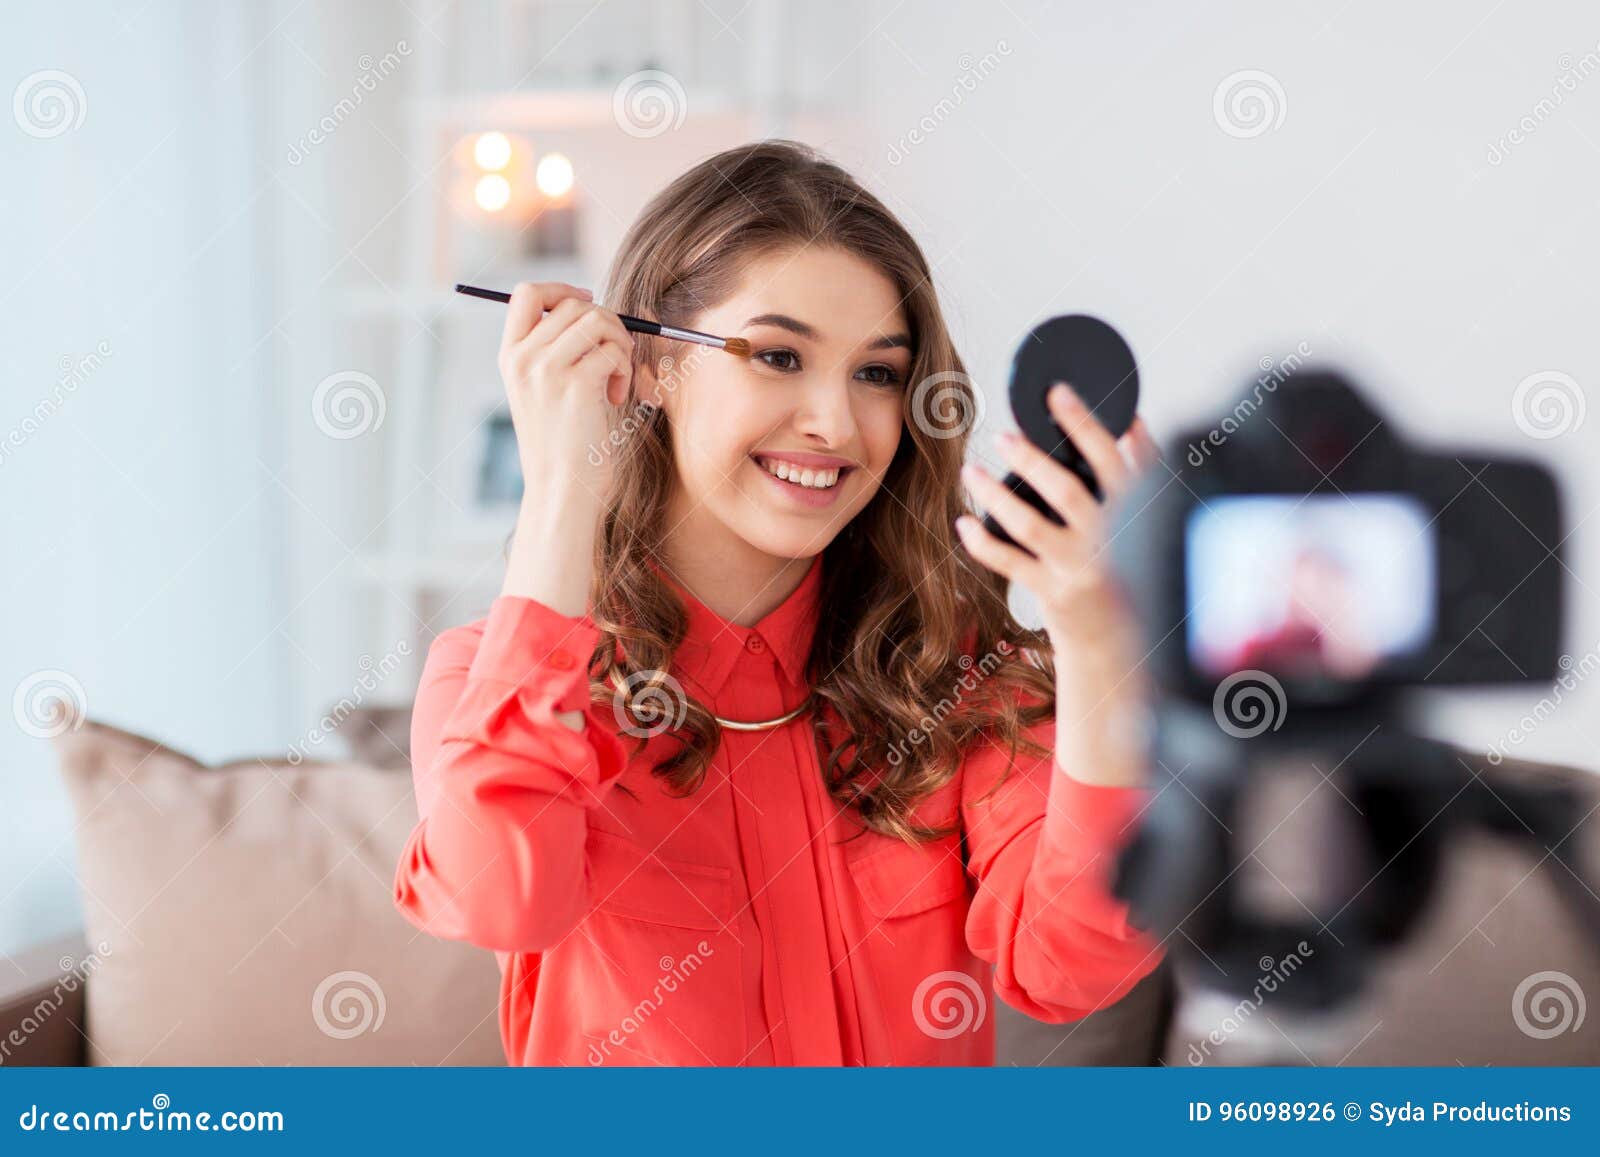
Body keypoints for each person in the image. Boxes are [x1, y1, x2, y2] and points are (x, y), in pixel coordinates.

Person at [393, 140, 1166, 1065]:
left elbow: (1070, 966)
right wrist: (564, 485)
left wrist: (1095, 636)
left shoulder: (954, 671)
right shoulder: (495, 678)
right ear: (646, 365)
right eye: (777, 355)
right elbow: (495, 896)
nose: (835, 424)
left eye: (877, 372)